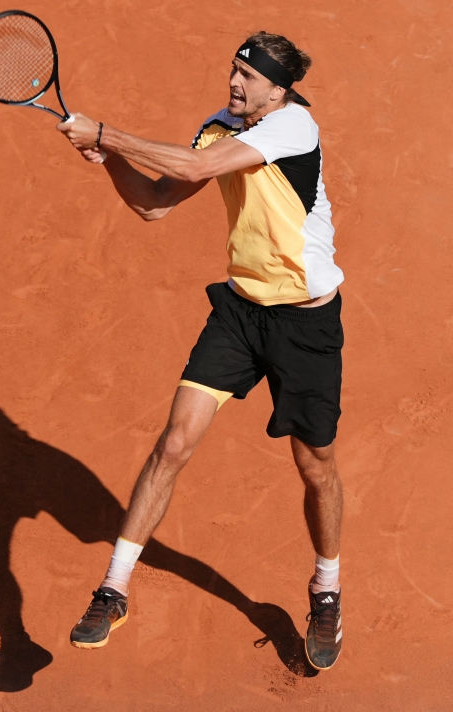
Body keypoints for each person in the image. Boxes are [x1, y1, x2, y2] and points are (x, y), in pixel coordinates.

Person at [57, 31, 344, 670]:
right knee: (174, 442)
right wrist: (111, 162)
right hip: (241, 314)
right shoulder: (220, 127)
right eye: (233, 71)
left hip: (304, 326)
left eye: (249, 77)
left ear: (279, 88)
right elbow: (156, 204)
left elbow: (191, 169)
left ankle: (326, 588)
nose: (235, 84)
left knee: (315, 464)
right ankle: (113, 588)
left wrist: (104, 132)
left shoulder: (292, 128)